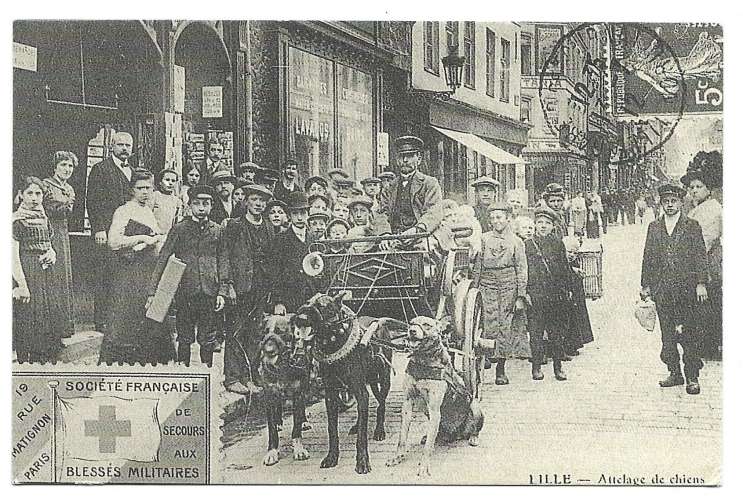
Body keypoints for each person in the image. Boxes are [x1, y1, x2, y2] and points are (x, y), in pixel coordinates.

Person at [148, 185, 228, 367]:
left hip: (210, 290)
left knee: (208, 337)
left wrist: (222, 291)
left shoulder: (217, 230)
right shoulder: (180, 229)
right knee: (184, 335)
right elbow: (163, 258)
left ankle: (207, 373)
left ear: (212, 206)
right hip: (185, 290)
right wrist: (153, 290)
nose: (201, 208)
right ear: (189, 205)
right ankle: (183, 372)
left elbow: (223, 261)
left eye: (206, 204)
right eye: (197, 203)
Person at [99, 169, 173, 365]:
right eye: (140, 188)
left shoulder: (148, 211)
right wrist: (141, 238)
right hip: (130, 272)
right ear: (132, 189)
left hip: (148, 272)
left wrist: (158, 238)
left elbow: (156, 236)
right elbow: (113, 242)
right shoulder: (124, 210)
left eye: (149, 188)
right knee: (126, 318)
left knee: (149, 317)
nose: (145, 192)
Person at [641, 183, 708, 395]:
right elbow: (648, 257)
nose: (669, 205)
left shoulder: (691, 226)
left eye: (673, 201)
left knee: (688, 334)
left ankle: (692, 377)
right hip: (663, 291)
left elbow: (700, 255)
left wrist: (700, 283)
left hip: (686, 290)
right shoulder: (654, 227)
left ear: (680, 202)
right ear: (661, 204)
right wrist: (646, 285)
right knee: (667, 335)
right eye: (666, 202)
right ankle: (674, 372)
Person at [221, 183, 276, 394]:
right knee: (235, 332)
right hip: (240, 287)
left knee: (254, 333)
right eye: (254, 200)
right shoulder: (235, 226)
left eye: (262, 201)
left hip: (261, 288)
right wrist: (229, 286)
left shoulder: (269, 227)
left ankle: (250, 377)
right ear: (246, 202)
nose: (258, 204)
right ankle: (233, 378)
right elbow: (225, 256)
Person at [472, 203, 529, 385]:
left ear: (508, 219)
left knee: (505, 325)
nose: (497, 221)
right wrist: (475, 286)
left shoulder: (516, 241)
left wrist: (520, 295)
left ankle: (501, 370)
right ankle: (485, 360)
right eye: (494, 218)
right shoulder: (483, 239)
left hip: (508, 284)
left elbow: (521, 269)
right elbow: (478, 265)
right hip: (487, 284)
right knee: (487, 322)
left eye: (500, 217)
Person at [86, 131, 135, 332]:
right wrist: (98, 228)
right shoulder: (100, 169)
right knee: (105, 275)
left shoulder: (133, 171)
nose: (124, 148)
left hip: (127, 233)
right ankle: (102, 319)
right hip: (106, 231)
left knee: (124, 275)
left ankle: (120, 318)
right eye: (120, 144)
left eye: (128, 145)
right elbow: (93, 201)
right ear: (112, 147)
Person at [13, 177, 64, 363]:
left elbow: (49, 244)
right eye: (30, 193)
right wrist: (22, 285)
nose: (34, 198)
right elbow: (12, 256)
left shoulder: (43, 218)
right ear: (21, 195)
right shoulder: (17, 221)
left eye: (38, 193)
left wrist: (52, 253)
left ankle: (43, 361)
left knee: (46, 317)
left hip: (46, 273)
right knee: (28, 318)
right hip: (27, 271)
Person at [681, 156, 722, 361]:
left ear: (709, 189)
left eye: (698, 186)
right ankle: (705, 344)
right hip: (698, 263)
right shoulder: (697, 208)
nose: (694, 190)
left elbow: (705, 241)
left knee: (709, 305)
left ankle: (710, 347)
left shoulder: (712, 209)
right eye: (691, 187)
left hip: (708, 265)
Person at [524, 206, 572, 381]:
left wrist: (567, 290)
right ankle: (536, 367)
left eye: (547, 223)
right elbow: (524, 271)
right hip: (536, 295)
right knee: (536, 333)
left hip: (555, 295)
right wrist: (525, 292)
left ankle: (558, 367)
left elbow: (564, 269)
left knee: (556, 334)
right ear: (535, 225)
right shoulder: (528, 245)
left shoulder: (558, 243)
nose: (543, 226)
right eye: (539, 223)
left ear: (553, 226)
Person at [378, 135, 443, 250]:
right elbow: (381, 213)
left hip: (423, 234)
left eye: (409, 156)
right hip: (395, 236)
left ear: (418, 158)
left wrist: (417, 230)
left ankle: (429, 268)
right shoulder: (389, 187)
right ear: (397, 160)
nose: (405, 160)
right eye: (401, 156)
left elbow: (433, 212)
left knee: (424, 250)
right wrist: (385, 234)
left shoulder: (429, 183)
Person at [43, 151, 77, 338]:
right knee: (51, 276)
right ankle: (48, 328)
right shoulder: (46, 186)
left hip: (63, 234)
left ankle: (62, 327)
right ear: (55, 166)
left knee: (62, 276)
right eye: (63, 165)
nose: (67, 169)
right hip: (49, 232)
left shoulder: (70, 188)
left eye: (70, 166)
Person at [269, 192, 316, 314]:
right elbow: (275, 273)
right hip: (290, 298)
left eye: (303, 213)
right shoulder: (280, 239)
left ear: (308, 214)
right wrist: (279, 302)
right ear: (289, 215)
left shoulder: (314, 239)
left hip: (312, 297)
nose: (300, 218)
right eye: (295, 213)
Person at [562, 236, 594, 355]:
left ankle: (573, 344)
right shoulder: (561, 263)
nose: (571, 255)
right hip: (566, 295)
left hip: (575, 296)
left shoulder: (575, 263)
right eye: (569, 252)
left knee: (576, 320)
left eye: (574, 253)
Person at [152, 168, 183, 236]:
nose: (170, 183)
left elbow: (176, 220)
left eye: (173, 181)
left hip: (169, 236)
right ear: (160, 182)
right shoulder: (154, 196)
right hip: (154, 234)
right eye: (167, 180)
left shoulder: (177, 201)